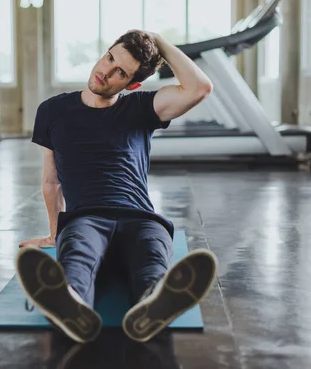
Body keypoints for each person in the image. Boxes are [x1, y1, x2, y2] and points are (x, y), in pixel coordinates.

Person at [16, 30, 218, 344]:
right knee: (77, 258)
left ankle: (153, 305)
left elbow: (200, 87)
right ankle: (71, 306)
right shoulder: (53, 111)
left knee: (152, 259)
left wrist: (159, 41)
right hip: (85, 217)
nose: (105, 71)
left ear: (133, 83)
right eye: (109, 58)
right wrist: (56, 234)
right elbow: (51, 181)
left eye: (120, 72)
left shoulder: (143, 107)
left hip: (140, 217)